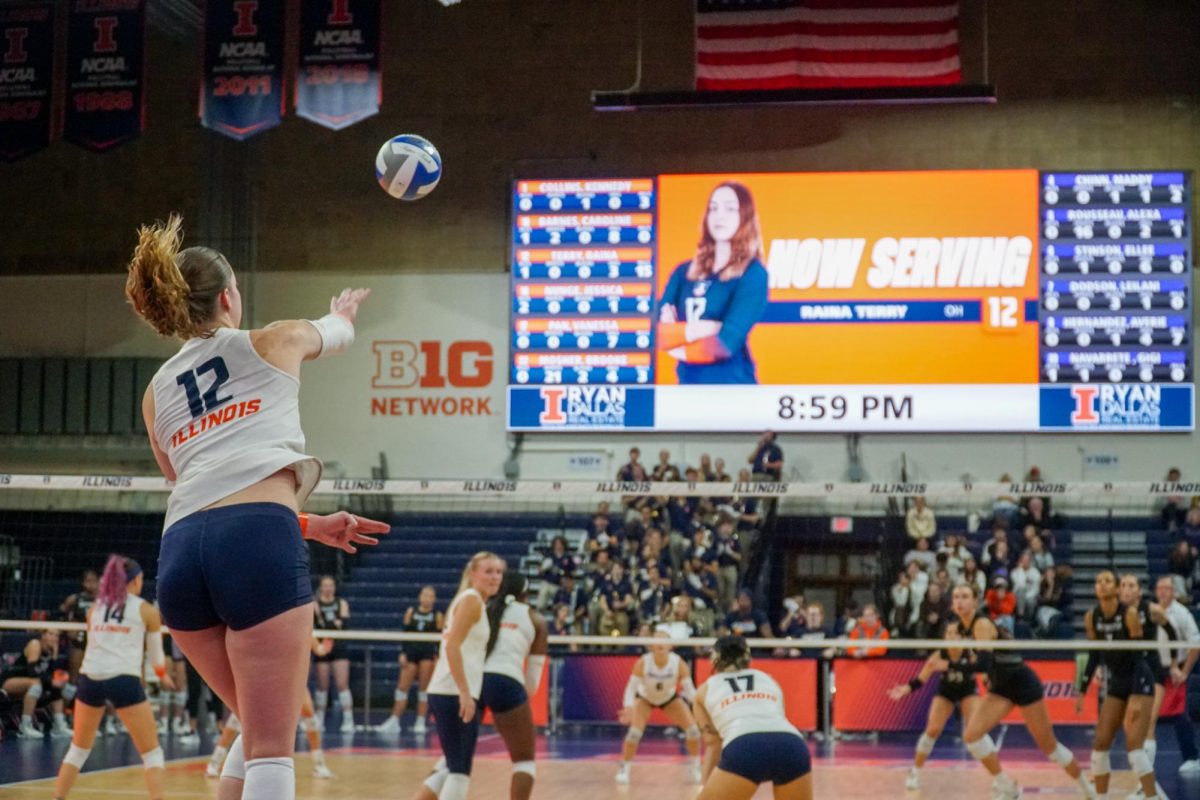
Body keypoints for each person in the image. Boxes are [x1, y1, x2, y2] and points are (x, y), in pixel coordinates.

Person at [127, 215, 388, 800]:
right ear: (227, 297)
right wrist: (343, 313)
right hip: (255, 541)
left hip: (181, 556)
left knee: (256, 721)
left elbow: (198, 485)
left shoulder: (155, 393)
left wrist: (309, 525)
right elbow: (336, 331)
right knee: (274, 746)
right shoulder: (273, 339)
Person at [952, 583, 1094, 800]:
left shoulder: (980, 623)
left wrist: (952, 666)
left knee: (1050, 747)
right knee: (972, 736)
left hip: (1023, 683)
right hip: (1001, 687)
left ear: (974, 601)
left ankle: (1086, 788)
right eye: (956, 597)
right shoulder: (961, 629)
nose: (959, 601)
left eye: (964, 596)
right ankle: (1006, 785)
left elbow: (983, 664)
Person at [52, 556, 171, 799]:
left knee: (78, 749)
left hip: (90, 679)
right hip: (123, 680)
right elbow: (157, 658)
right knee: (152, 754)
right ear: (136, 580)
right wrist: (162, 677)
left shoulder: (96, 608)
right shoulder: (146, 610)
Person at [412, 552, 504, 800]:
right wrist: (465, 692)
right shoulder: (471, 601)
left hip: (449, 691)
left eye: (498, 572)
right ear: (473, 574)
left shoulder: (472, 601)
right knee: (460, 770)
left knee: (451, 764)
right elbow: (452, 646)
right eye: (489, 571)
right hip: (452, 692)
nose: (495, 577)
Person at [657, 181, 769, 384]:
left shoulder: (753, 274)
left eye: (730, 208)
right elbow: (656, 334)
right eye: (714, 208)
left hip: (734, 393)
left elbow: (724, 344)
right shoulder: (684, 272)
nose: (720, 215)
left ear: (744, 216)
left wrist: (677, 343)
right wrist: (702, 329)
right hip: (686, 391)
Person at [692, 635, 812, 800]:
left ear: (714, 659)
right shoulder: (769, 679)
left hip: (744, 745)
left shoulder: (704, 690)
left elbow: (713, 746)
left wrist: (706, 787)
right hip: (791, 745)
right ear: (748, 657)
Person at [1076, 571, 1158, 799]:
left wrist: (1136, 696)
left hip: (1139, 680)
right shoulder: (1091, 617)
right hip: (1117, 683)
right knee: (1100, 742)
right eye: (1098, 581)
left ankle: (1151, 797)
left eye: (1107, 581)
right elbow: (1094, 655)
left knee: (1134, 747)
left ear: (1116, 588)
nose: (1102, 585)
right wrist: (1082, 691)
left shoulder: (1129, 614)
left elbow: (1139, 657)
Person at [887, 621, 981, 791]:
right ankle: (915, 771)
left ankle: (996, 777)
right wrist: (905, 689)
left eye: (954, 633)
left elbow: (985, 669)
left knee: (975, 731)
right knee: (932, 730)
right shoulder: (939, 655)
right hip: (946, 692)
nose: (951, 637)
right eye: (948, 633)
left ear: (963, 637)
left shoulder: (971, 653)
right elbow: (920, 679)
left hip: (968, 691)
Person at [479, 572, 549, 800]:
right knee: (524, 760)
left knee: (454, 760)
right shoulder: (535, 618)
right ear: (525, 594)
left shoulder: (485, 610)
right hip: (507, 681)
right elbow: (531, 683)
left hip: (473, 681)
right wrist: (514, 707)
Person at [616, 629, 703, 785]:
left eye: (664, 641)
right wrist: (628, 707)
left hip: (669, 698)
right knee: (634, 733)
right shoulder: (643, 662)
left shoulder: (679, 663)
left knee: (694, 732)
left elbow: (690, 691)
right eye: (657, 641)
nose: (660, 644)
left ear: (670, 646)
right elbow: (631, 687)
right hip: (645, 698)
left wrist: (701, 708)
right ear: (651, 646)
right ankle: (624, 767)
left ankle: (695, 766)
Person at [1118, 574, 1172, 797]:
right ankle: (1147, 785)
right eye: (1123, 585)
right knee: (1129, 729)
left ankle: (1144, 789)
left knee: (1147, 726)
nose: (1127, 589)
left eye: (1131, 585)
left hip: (1152, 671)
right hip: (1129, 674)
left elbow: (1173, 633)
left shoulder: (1151, 609)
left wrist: (1174, 663)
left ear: (1139, 591)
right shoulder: (1117, 613)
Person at [378, 585, 444, 735]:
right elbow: (405, 634)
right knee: (402, 687)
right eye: (424, 595)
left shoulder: (438, 616)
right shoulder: (411, 612)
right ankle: (394, 720)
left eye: (430, 596)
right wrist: (403, 653)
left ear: (434, 599)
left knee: (423, 688)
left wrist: (437, 657)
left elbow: (440, 638)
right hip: (411, 652)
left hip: (427, 653)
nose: (427, 598)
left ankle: (420, 721)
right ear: (420, 597)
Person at [1155, 576, 1200, 775]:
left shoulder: (1182, 614)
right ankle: (1143, 758)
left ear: (1174, 591)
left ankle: (1192, 757)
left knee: (1179, 714)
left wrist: (1184, 672)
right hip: (1156, 669)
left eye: (1167, 588)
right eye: (1160, 588)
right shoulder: (1153, 612)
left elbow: (1196, 644)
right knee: (1150, 714)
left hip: (1176, 670)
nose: (1163, 592)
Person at [1, 628, 70, 738]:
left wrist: (54, 657)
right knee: (36, 684)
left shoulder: (51, 650)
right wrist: (50, 681)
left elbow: (51, 674)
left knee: (57, 687)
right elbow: (32, 672)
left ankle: (59, 725)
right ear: (43, 635)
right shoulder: (35, 644)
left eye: (57, 635)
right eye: (51, 634)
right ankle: (25, 726)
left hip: (30, 683)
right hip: (9, 681)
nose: (54, 638)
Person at [312, 575, 354, 733]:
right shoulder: (315, 604)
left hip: (339, 646)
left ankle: (348, 719)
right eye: (325, 585)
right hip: (322, 647)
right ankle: (319, 719)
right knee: (322, 686)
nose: (328, 588)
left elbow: (342, 625)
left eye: (331, 585)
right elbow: (318, 626)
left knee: (342, 684)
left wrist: (333, 626)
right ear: (321, 587)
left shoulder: (341, 603)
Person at [59, 569, 99, 680]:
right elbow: (60, 613)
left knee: (96, 676)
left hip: (98, 640)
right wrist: (68, 628)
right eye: (88, 581)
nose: (91, 584)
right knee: (74, 676)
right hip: (79, 640)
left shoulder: (104, 600)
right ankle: (72, 695)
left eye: (94, 580)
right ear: (83, 583)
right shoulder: (74, 599)